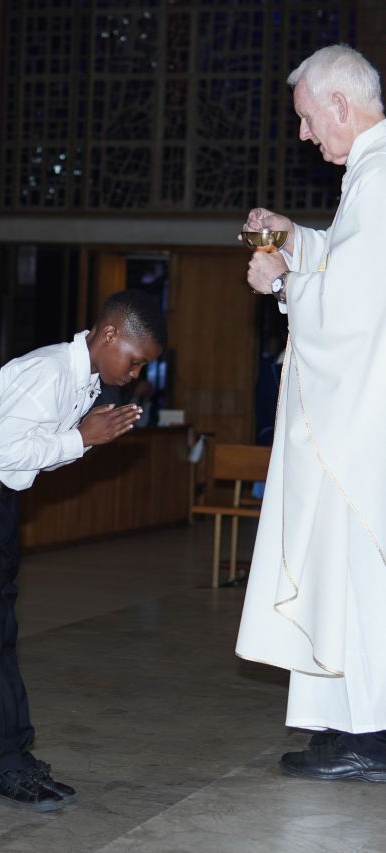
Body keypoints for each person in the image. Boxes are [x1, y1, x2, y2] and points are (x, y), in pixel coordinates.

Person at [0, 289, 166, 812]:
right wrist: (81, 438)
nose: (135, 374)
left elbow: (35, 456)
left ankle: (14, 754)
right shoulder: (50, 371)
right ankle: (1, 766)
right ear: (109, 335)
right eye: (135, 361)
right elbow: (6, 449)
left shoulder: (82, 381)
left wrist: (83, 439)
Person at [235, 44, 386, 782]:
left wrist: (280, 281)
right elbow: (353, 266)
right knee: (349, 577)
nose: (302, 134)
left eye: (305, 118)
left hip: (362, 428)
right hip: (361, 417)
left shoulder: (380, 177)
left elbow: (353, 311)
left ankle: (369, 735)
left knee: (359, 576)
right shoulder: (370, 175)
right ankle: (352, 724)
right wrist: (297, 239)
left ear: (339, 104)